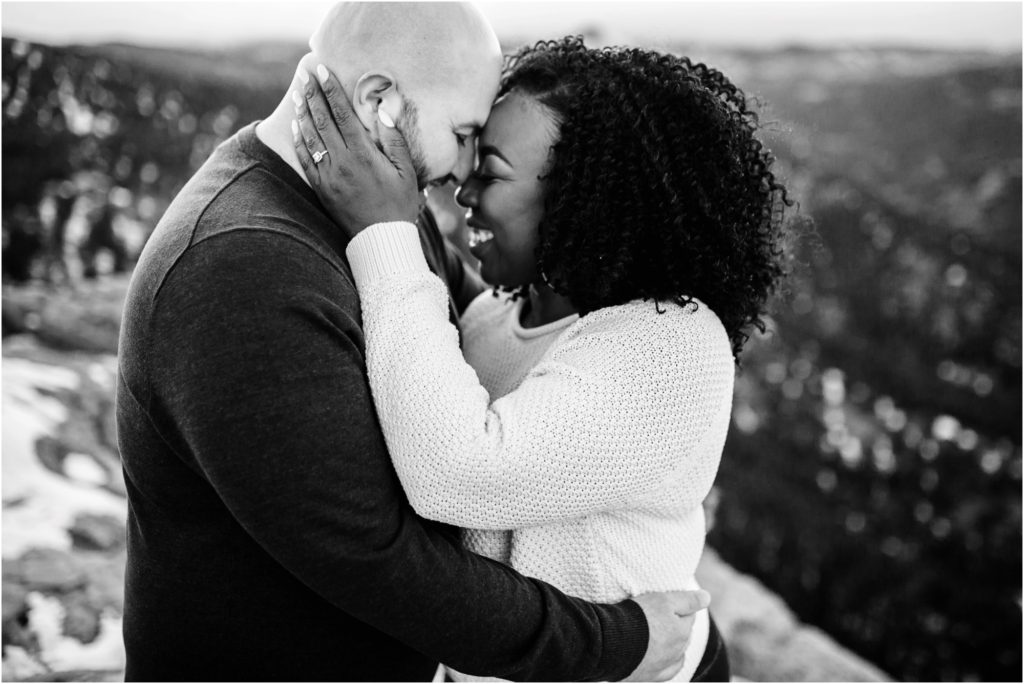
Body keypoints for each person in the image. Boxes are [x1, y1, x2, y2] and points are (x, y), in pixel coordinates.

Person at [116, 4, 706, 682]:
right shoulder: (242, 268)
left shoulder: (377, 210)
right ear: (379, 100)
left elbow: (465, 322)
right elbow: (377, 559)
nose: (461, 175)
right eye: (463, 134)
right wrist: (615, 641)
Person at [292, 36, 792, 682]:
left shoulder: (674, 346)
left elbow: (455, 472)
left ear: (588, 199)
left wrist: (382, 229)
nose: (463, 186)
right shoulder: (500, 313)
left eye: (492, 170)